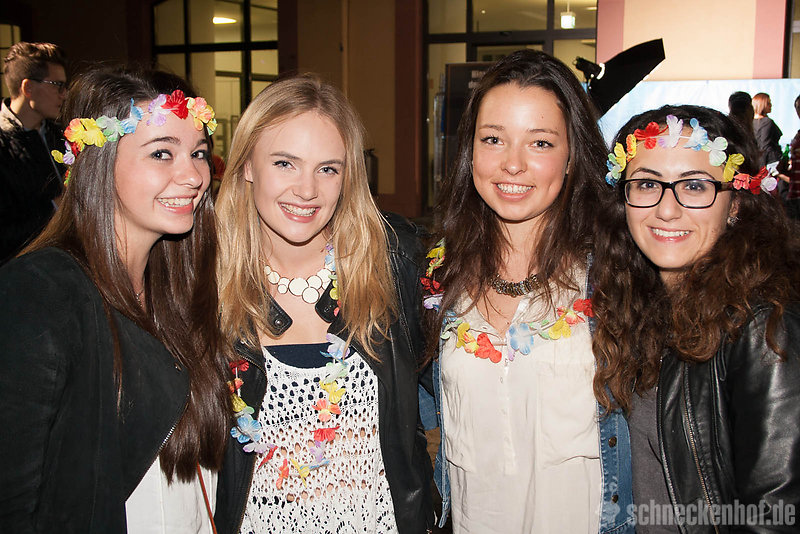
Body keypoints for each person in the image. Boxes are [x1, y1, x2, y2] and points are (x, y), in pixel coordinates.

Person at [0, 67, 230, 533]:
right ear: (97, 161)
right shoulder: (41, 292)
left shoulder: (180, 288)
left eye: (199, 153)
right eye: (162, 152)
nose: (193, 175)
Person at [418, 49, 634, 533]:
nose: (512, 164)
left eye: (539, 142)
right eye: (493, 139)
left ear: (572, 154)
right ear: (470, 150)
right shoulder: (438, 278)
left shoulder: (616, 273)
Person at [212, 74, 432, 534]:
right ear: (247, 165)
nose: (307, 190)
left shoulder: (392, 263)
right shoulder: (205, 282)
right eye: (285, 163)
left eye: (328, 169)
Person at [593, 105, 800, 532]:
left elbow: (775, 516)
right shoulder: (635, 305)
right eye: (647, 184)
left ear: (735, 203)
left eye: (694, 185)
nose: (667, 210)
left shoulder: (763, 329)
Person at [0, 41, 68, 263]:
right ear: (28, 88)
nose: (64, 94)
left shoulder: (62, 134)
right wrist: (55, 208)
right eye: (57, 85)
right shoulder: (3, 145)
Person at [752, 92, 783, 167]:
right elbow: (765, 144)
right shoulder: (767, 122)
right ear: (762, 105)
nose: (771, 105)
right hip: (771, 160)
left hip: (757, 161)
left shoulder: (750, 122)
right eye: (768, 103)